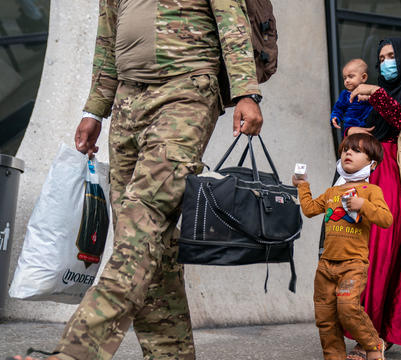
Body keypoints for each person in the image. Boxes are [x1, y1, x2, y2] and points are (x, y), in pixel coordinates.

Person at [10, 1, 263, 359]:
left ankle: (76, 353)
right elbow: (107, 36)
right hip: (128, 102)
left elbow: (231, 18)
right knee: (148, 244)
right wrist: (94, 109)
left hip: (186, 92)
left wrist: (246, 92)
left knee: (142, 224)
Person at [346, 37, 401, 354]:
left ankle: (373, 335)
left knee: (383, 252)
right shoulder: (376, 91)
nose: (385, 62)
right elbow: (364, 128)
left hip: (395, 177)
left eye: (392, 56)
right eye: (381, 57)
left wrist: (378, 95)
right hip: (368, 172)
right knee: (359, 251)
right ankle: (365, 329)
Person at [293, 133, 392, 360]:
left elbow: (386, 219)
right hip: (326, 265)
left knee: (348, 308)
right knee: (325, 317)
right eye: (346, 149)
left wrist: (363, 205)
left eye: (357, 151)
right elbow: (309, 209)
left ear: (372, 163)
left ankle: (374, 344)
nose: (348, 153)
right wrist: (302, 185)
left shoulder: (371, 191)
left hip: (353, 265)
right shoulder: (332, 192)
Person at [331, 59, 373, 131]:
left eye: (350, 76)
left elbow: (379, 105)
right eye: (345, 78)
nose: (347, 81)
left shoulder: (369, 91)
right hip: (351, 128)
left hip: (369, 127)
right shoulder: (345, 95)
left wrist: (369, 98)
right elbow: (338, 108)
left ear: (363, 77)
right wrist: (335, 117)